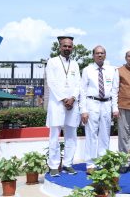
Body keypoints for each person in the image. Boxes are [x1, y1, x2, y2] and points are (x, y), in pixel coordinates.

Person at [45, 36, 81, 177]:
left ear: (72, 48)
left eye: (70, 46)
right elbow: (51, 82)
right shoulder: (52, 62)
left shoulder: (75, 64)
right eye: (65, 46)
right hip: (57, 104)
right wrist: (64, 98)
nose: (67, 48)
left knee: (71, 135)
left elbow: (78, 83)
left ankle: (68, 164)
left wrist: (72, 98)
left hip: (72, 104)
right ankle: (54, 166)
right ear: (60, 47)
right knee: (54, 135)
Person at [80, 45, 117, 174]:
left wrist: (114, 108)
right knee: (91, 134)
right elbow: (82, 91)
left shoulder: (112, 70)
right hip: (92, 103)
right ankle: (90, 164)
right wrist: (83, 110)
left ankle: (103, 161)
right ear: (93, 55)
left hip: (107, 104)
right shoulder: (87, 70)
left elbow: (114, 90)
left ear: (105, 55)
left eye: (102, 53)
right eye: (97, 53)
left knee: (105, 135)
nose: (100, 55)